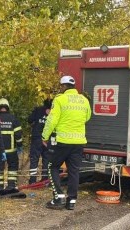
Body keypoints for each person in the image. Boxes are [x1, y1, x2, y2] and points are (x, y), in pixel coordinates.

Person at [42, 75, 91, 210]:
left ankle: (58, 197)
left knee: (53, 166)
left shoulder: (60, 100)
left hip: (63, 141)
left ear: (63, 87)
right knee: (74, 171)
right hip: (79, 141)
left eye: (61, 86)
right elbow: (87, 117)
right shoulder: (84, 100)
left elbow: (52, 120)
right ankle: (71, 201)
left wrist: (44, 136)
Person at [0, 98, 23, 190]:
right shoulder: (13, 118)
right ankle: (11, 186)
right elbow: (18, 135)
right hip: (11, 151)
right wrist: (19, 146)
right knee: (13, 167)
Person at [28, 98, 53, 184]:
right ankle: (45, 181)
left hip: (37, 139)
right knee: (46, 159)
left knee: (34, 159)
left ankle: (32, 181)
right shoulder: (54, 112)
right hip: (48, 140)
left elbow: (30, 120)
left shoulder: (38, 110)